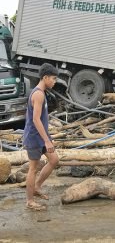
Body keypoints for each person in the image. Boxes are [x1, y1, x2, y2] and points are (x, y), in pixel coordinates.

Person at [23, 63, 59, 211]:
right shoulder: (38, 94)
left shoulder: (41, 93)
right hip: (34, 137)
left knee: (54, 159)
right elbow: (36, 120)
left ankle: (37, 186)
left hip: (41, 136)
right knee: (33, 168)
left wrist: (47, 137)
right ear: (45, 77)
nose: (55, 82)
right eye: (53, 78)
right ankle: (30, 201)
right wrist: (46, 140)